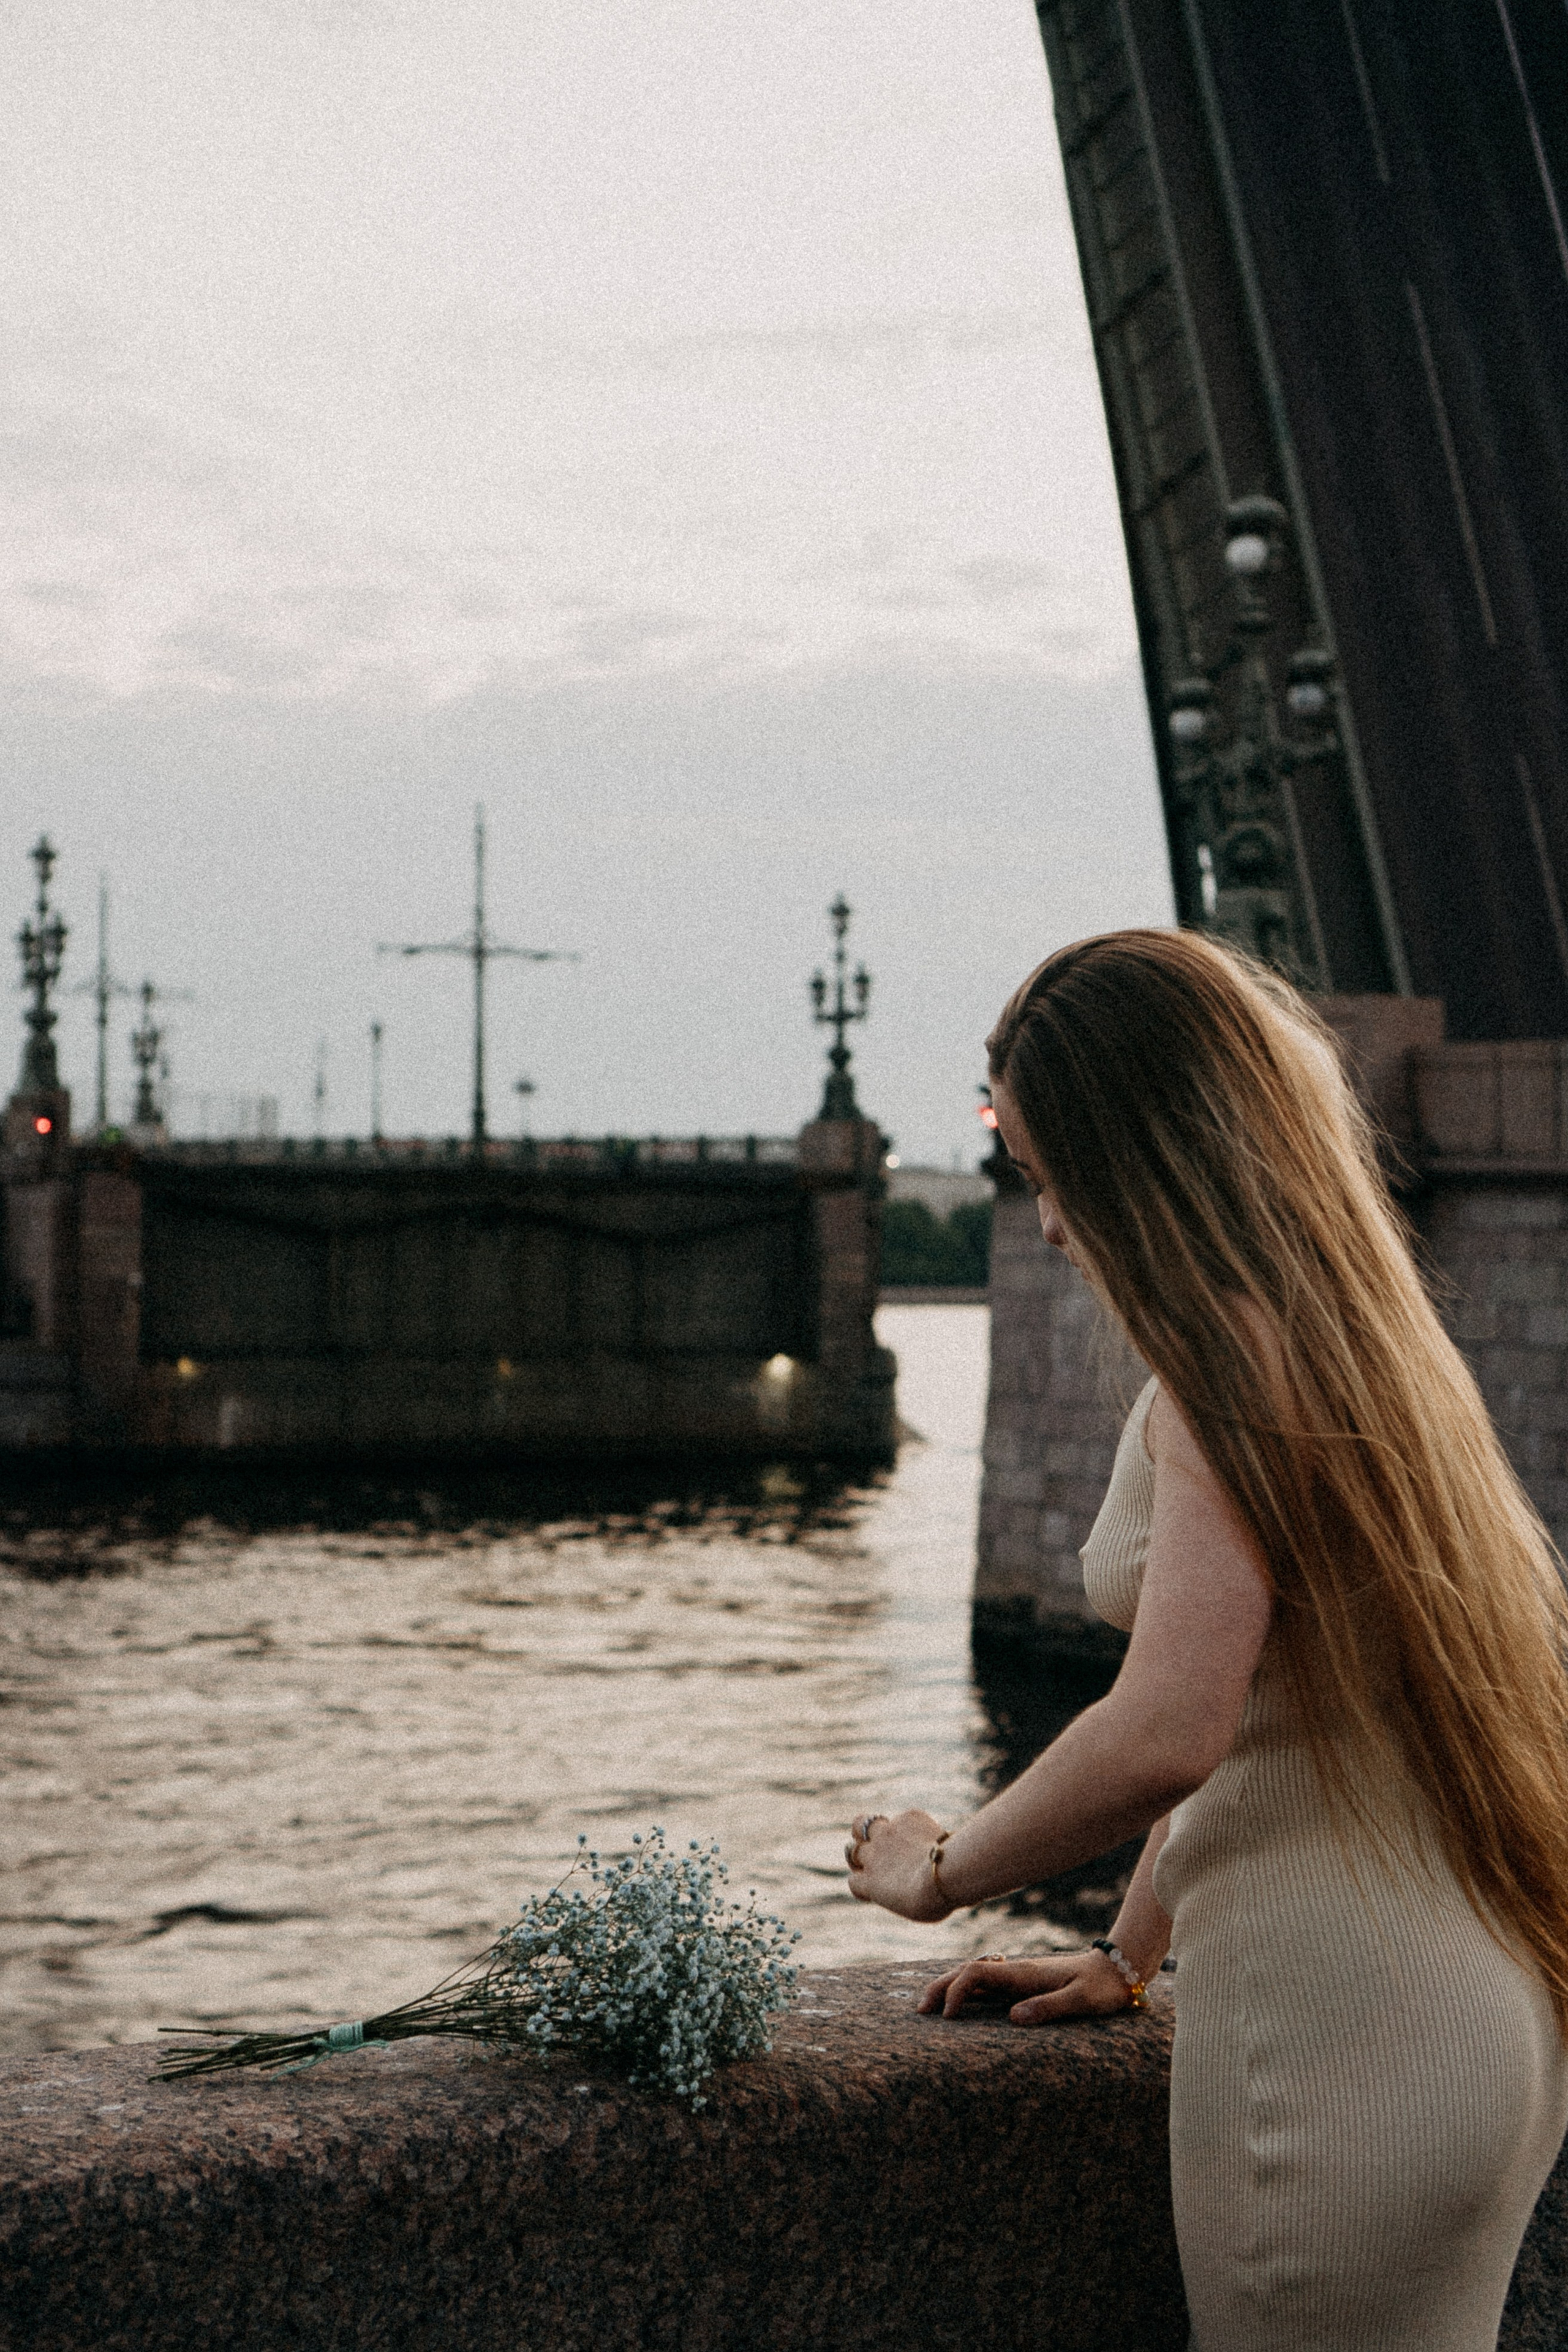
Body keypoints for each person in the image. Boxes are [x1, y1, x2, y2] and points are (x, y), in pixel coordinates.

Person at [845, 929, 1568, 2352]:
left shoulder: (1225, 1372)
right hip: (1465, 2012)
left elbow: (1169, 1727)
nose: (1046, 1225)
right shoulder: (1352, 1337)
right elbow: (1280, 1710)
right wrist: (1126, 1955)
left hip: (1334, 2050)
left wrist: (938, 1870)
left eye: (1053, 1177)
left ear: (1141, 1161)